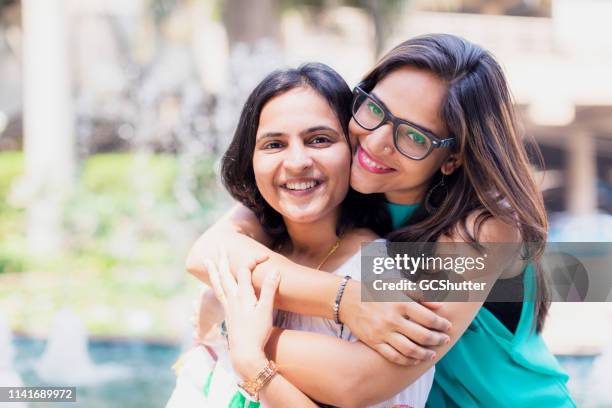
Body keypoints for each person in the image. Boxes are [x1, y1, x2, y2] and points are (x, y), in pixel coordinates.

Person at [187, 34, 576, 406]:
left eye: (414, 137)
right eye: (375, 109)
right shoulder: (352, 179)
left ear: (453, 157)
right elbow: (209, 252)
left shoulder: (483, 229)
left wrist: (238, 330)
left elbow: (359, 381)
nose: (375, 141)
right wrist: (346, 301)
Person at [169, 63, 438, 407]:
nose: (297, 162)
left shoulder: (384, 273)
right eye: (274, 144)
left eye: (319, 140)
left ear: (354, 151)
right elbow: (202, 254)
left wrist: (247, 352)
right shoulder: (252, 252)